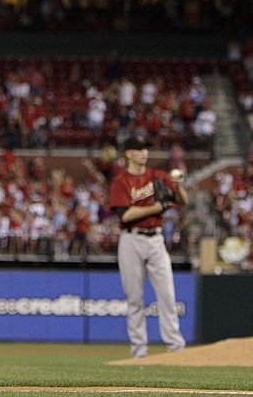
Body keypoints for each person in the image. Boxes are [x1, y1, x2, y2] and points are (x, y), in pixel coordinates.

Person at [108, 135, 188, 358]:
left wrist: (179, 187)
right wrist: (156, 208)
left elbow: (182, 201)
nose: (145, 152)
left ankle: (175, 346)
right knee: (134, 298)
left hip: (155, 239)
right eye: (139, 149)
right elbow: (125, 215)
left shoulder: (158, 176)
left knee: (167, 295)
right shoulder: (121, 182)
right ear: (129, 153)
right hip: (131, 239)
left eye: (146, 148)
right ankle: (139, 350)